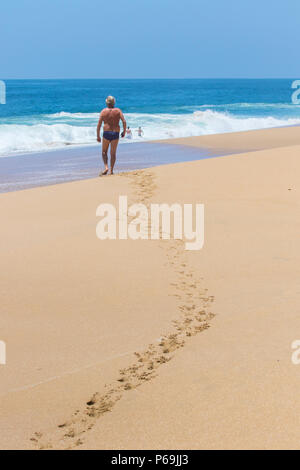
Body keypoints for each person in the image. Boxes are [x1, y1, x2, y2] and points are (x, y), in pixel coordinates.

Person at [97, 96, 126, 175]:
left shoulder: (103, 111)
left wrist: (98, 136)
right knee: (113, 153)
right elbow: (124, 121)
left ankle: (106, 167)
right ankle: (111, 171)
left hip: (106, 133)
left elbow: (99, 124)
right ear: (114, 103)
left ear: (107, 103)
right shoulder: (118, 111)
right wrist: (124, 131)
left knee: (104, 152)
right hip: (115, 133)